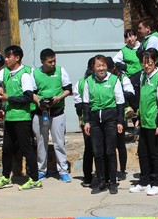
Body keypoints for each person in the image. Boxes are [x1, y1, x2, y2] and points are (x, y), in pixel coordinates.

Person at [0, 45, 42, 191]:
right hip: (10, 118)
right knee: (7, 149)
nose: (6, 59)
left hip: (22, 118)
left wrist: (8, 98)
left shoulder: (24, 75)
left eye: (9, 57)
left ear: (17, 58)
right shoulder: (6, 72)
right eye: (5, 57)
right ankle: (6, 177)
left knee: (27, 149)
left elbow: (27, 98)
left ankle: (34, 179)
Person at [82, 54, 132, 195]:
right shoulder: (88, 81)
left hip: (110, 119)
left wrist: (120, 121)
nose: (101, 68)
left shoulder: (114, 80)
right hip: (95, 120)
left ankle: (112, 182)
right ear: (93, 67)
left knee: (110, 151)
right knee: (98, 153)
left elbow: (120, 102)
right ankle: (101, 181)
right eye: (98, 65)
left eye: (103, 65)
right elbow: (86, 103)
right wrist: (86, 121)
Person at [131, 48, 158, 196]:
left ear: (155, 62)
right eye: (143, 63)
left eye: (149, 63)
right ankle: (144, 181)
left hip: (155, 123)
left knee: (157, 153)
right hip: (145, 122)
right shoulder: (143, 77)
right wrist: (139, 118)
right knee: (143, 152)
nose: (146, 66)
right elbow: (142, 100)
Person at [32, 48, 73, 182]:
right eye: (50, 62)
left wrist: (58, 98)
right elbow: (31, 92)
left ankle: (63, 170)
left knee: (59, 142)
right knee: (41, 142)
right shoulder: (35, 73)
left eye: (54, 61)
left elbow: (68, 89)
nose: (53, 64)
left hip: (57, 112)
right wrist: (39, 101)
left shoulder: (61, 71)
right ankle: (41, 170)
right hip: (40, 113)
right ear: (42, 61)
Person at [74, 56, 97, 187]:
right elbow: (79, 104)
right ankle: (90, 177)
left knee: (91, 149)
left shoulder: (81, 82)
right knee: (91, 149)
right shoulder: (83, 83)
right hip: (90, 120)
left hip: (93, 120)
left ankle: (90, 177)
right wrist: (81, 119)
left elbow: (78, 104)